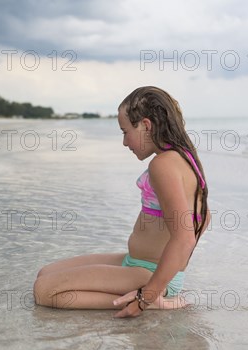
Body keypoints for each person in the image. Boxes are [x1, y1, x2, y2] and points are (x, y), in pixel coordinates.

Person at [33, 86, 210, 317]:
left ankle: (151, 298)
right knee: (45, 273)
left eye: (125, 132)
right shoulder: (184, 159)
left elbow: (185, 238)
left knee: (44, 291)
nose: (125, 142)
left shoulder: (164, 165)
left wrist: (145, 297)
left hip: (149, 273)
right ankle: (149, 293)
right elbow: (203, 218)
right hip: (136, 263)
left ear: (146, 126)